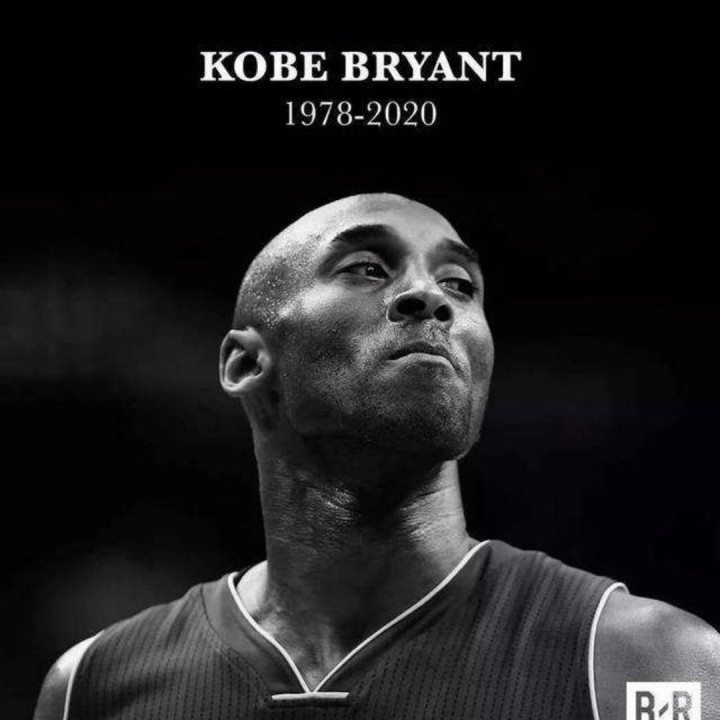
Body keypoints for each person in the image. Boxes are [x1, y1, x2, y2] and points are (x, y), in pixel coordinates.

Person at [35, 194, 719, 719]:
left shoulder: (648, 661)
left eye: (461, 284)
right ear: (247, 364)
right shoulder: (92, 686)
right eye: (366, 268)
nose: (431, 296)